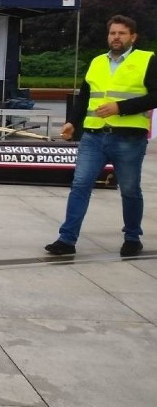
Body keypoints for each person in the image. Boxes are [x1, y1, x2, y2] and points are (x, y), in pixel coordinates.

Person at [45, 14, 157, 258]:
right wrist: (72, 123)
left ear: (133, 37)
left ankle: (132, 237)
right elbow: (84, 96)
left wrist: (121, 108)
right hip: (94, 136)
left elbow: (155, 96)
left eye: (121, 33)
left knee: (129, 189)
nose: (116, 37)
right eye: (112, 33)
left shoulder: (146, 60)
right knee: (80, 185)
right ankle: (66, 239)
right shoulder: (97, 62)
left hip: (128, 138)